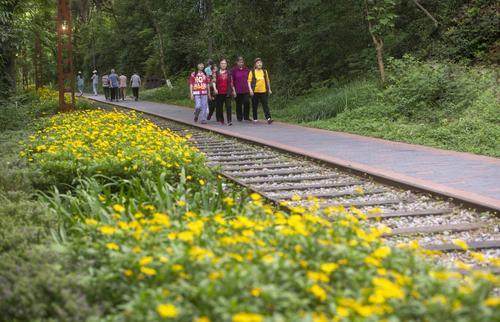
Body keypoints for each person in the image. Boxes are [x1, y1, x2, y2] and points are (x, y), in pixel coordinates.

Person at [248, 58, 273, 124]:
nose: (259, 64)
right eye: (258, 63)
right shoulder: (252, 72)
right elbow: (249, 81)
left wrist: (269, 89)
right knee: (254, 105)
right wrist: (250, 90)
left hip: (263, 91)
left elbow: (267, 81)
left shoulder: (264, 71)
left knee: (265, 105)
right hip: (255, 91)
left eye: (260, 63)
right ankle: (255, 118)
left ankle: (268, 118)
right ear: (255, 64)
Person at [213, 58, 233, 126]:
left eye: (225, 63)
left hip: (227, 92)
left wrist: (233, 90)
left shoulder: (229, 72)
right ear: (220, 64)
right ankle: (221, 120)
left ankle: (229, 120)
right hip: (219, 92)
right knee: (220, 107)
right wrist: (215, 89)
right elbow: (213, 81)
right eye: (222, 63)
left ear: (226, 65)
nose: (223, 65)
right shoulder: (216, 72)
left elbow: (231, 82)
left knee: (228, 106)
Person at [231, 56, 251, 121]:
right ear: (237, 62)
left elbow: (250, 79)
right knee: (238, 104)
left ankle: (246, 117)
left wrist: (251, 88)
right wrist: (233, 90)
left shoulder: (247, 70)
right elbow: (232, 80)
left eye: (242, 62)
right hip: (237, 90)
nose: (241, 63)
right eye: (239, 62)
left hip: (246, 89)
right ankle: (239, 117)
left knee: (247, 102)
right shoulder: (234, 70)